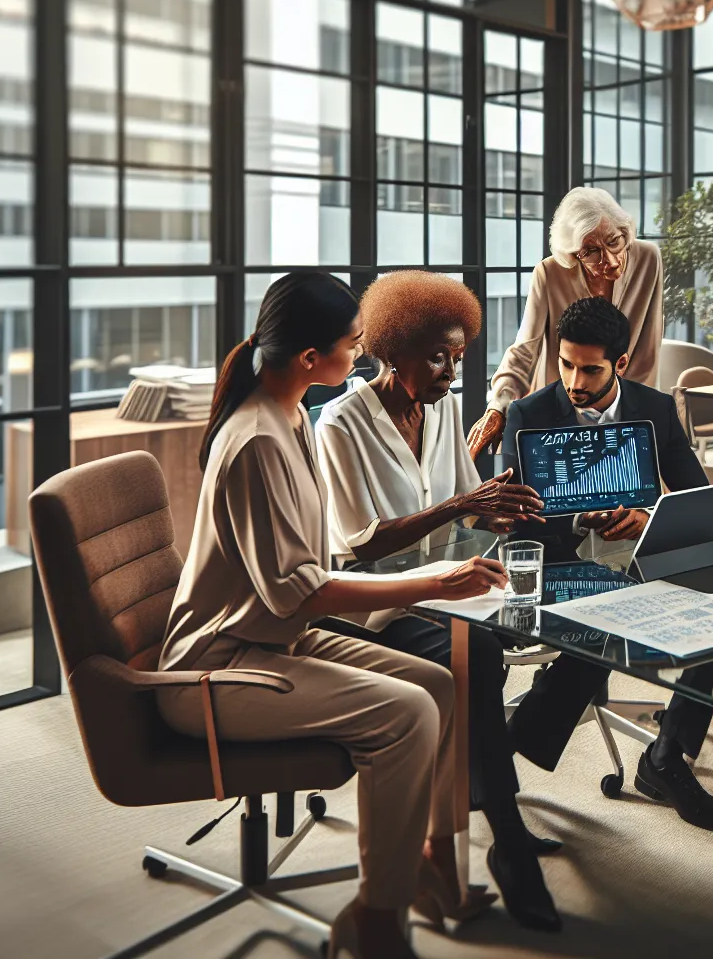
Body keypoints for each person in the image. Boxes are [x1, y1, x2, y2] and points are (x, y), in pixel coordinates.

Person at [155, 271, 509, 959]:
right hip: (218, 664)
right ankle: (375, 921)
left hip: (276, 641)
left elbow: (298, 589)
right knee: (407, 715)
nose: (361, 352)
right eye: (353, 343)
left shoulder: (286, 412)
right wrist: (433, 580)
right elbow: (303, 591)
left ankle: (419, 871)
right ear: (313, 359)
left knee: (439, 685)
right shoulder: (258, 437)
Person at [313, 270, 562, 933]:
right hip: (376, 608)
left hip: (449, 591)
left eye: (458, 355)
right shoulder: (339, 424)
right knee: (479, 656)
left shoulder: (445, 407)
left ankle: (472, 814)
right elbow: (358, 544)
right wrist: (462, 506)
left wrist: (500, 513)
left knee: (539, 624)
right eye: (436, 357)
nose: (451, 370)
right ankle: (508, 840)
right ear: (390, 352)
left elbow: (467, 502)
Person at [498, 297, 713, 836]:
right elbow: (516, 525)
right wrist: (580, 515)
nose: (574, 380)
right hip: (560, 560)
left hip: (638, 553)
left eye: (590, 368)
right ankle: (508, 748)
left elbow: (696, 495)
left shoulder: (654, 408)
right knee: (610, 617)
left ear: (621, 364)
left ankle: (666, 757)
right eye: (565, 364)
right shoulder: (528, 414)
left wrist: (646, 515)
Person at [467, 187, 664, 457]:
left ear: (625, 232)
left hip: (623, 413)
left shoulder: (649, 259)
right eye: (591, 251)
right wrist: (498, 405)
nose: (608, 259)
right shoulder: (549, 273)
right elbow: (526, 347)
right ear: (574, 254)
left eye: (614, 241)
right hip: (559, 414)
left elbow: (647, 349)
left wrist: (632, 419)